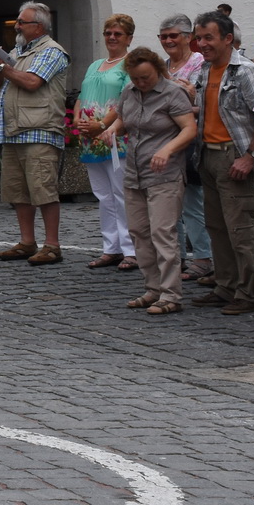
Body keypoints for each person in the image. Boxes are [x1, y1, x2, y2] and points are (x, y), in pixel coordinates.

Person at [94, 49, 196, 316]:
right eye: (136, 78)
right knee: (139, 232)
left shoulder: (173, 93)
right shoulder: (129, 91)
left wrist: (167, 149)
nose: (140, 83)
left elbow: (189, 129)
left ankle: (171, 294)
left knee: (163, 233)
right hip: (134, 173)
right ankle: (153, 289)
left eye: (146, 78)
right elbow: (123, 119)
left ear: (158, 71)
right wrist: (112, 130)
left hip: (165, 175)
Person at [188, 11, 254, 315]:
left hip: (234, 156)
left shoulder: (246, 71)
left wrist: (250, 156)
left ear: (228, 39)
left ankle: (248, 293)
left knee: (240, 230)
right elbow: (204, 110)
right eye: (199, 38)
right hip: (207, 155)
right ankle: (225, 287)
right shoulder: (204, 70)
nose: (202, 44)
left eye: (208, 37)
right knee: (217, 227)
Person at [0, 1, 70, 266]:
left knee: (43, 189)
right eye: (18, 21)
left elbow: (33, 82)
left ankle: (52, 245)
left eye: (22, 22)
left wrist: (3, 68)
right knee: (17, 191)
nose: (17, 26)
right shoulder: (16, 51)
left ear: (39, 27)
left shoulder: (52, 51)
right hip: (13, 130)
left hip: (39, 130)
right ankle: (27, 242)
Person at [75, 15, 138, 271]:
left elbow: (124, 101)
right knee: (103, 195)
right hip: (90, 139)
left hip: (115, 137)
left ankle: (131, 250)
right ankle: (111, 248)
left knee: (121, 194)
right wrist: (78, 119)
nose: (112, 37)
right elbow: (81, 96)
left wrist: (102, 125)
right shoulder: (94, 65)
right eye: (108, 33)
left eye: (118, 34)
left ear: (129, 38)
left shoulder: (130, 64)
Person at [157, 14, 211, 277]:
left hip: (191, 142)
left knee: (192, 203)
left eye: (173, 36)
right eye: (163, 36)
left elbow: (209, 105)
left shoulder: (200, 64)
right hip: (165, 143)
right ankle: (175, 258)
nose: (168, 41)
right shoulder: (163, 67)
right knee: (170, 206)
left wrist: (187, 102)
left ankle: (203, 258)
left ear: (188, 37)